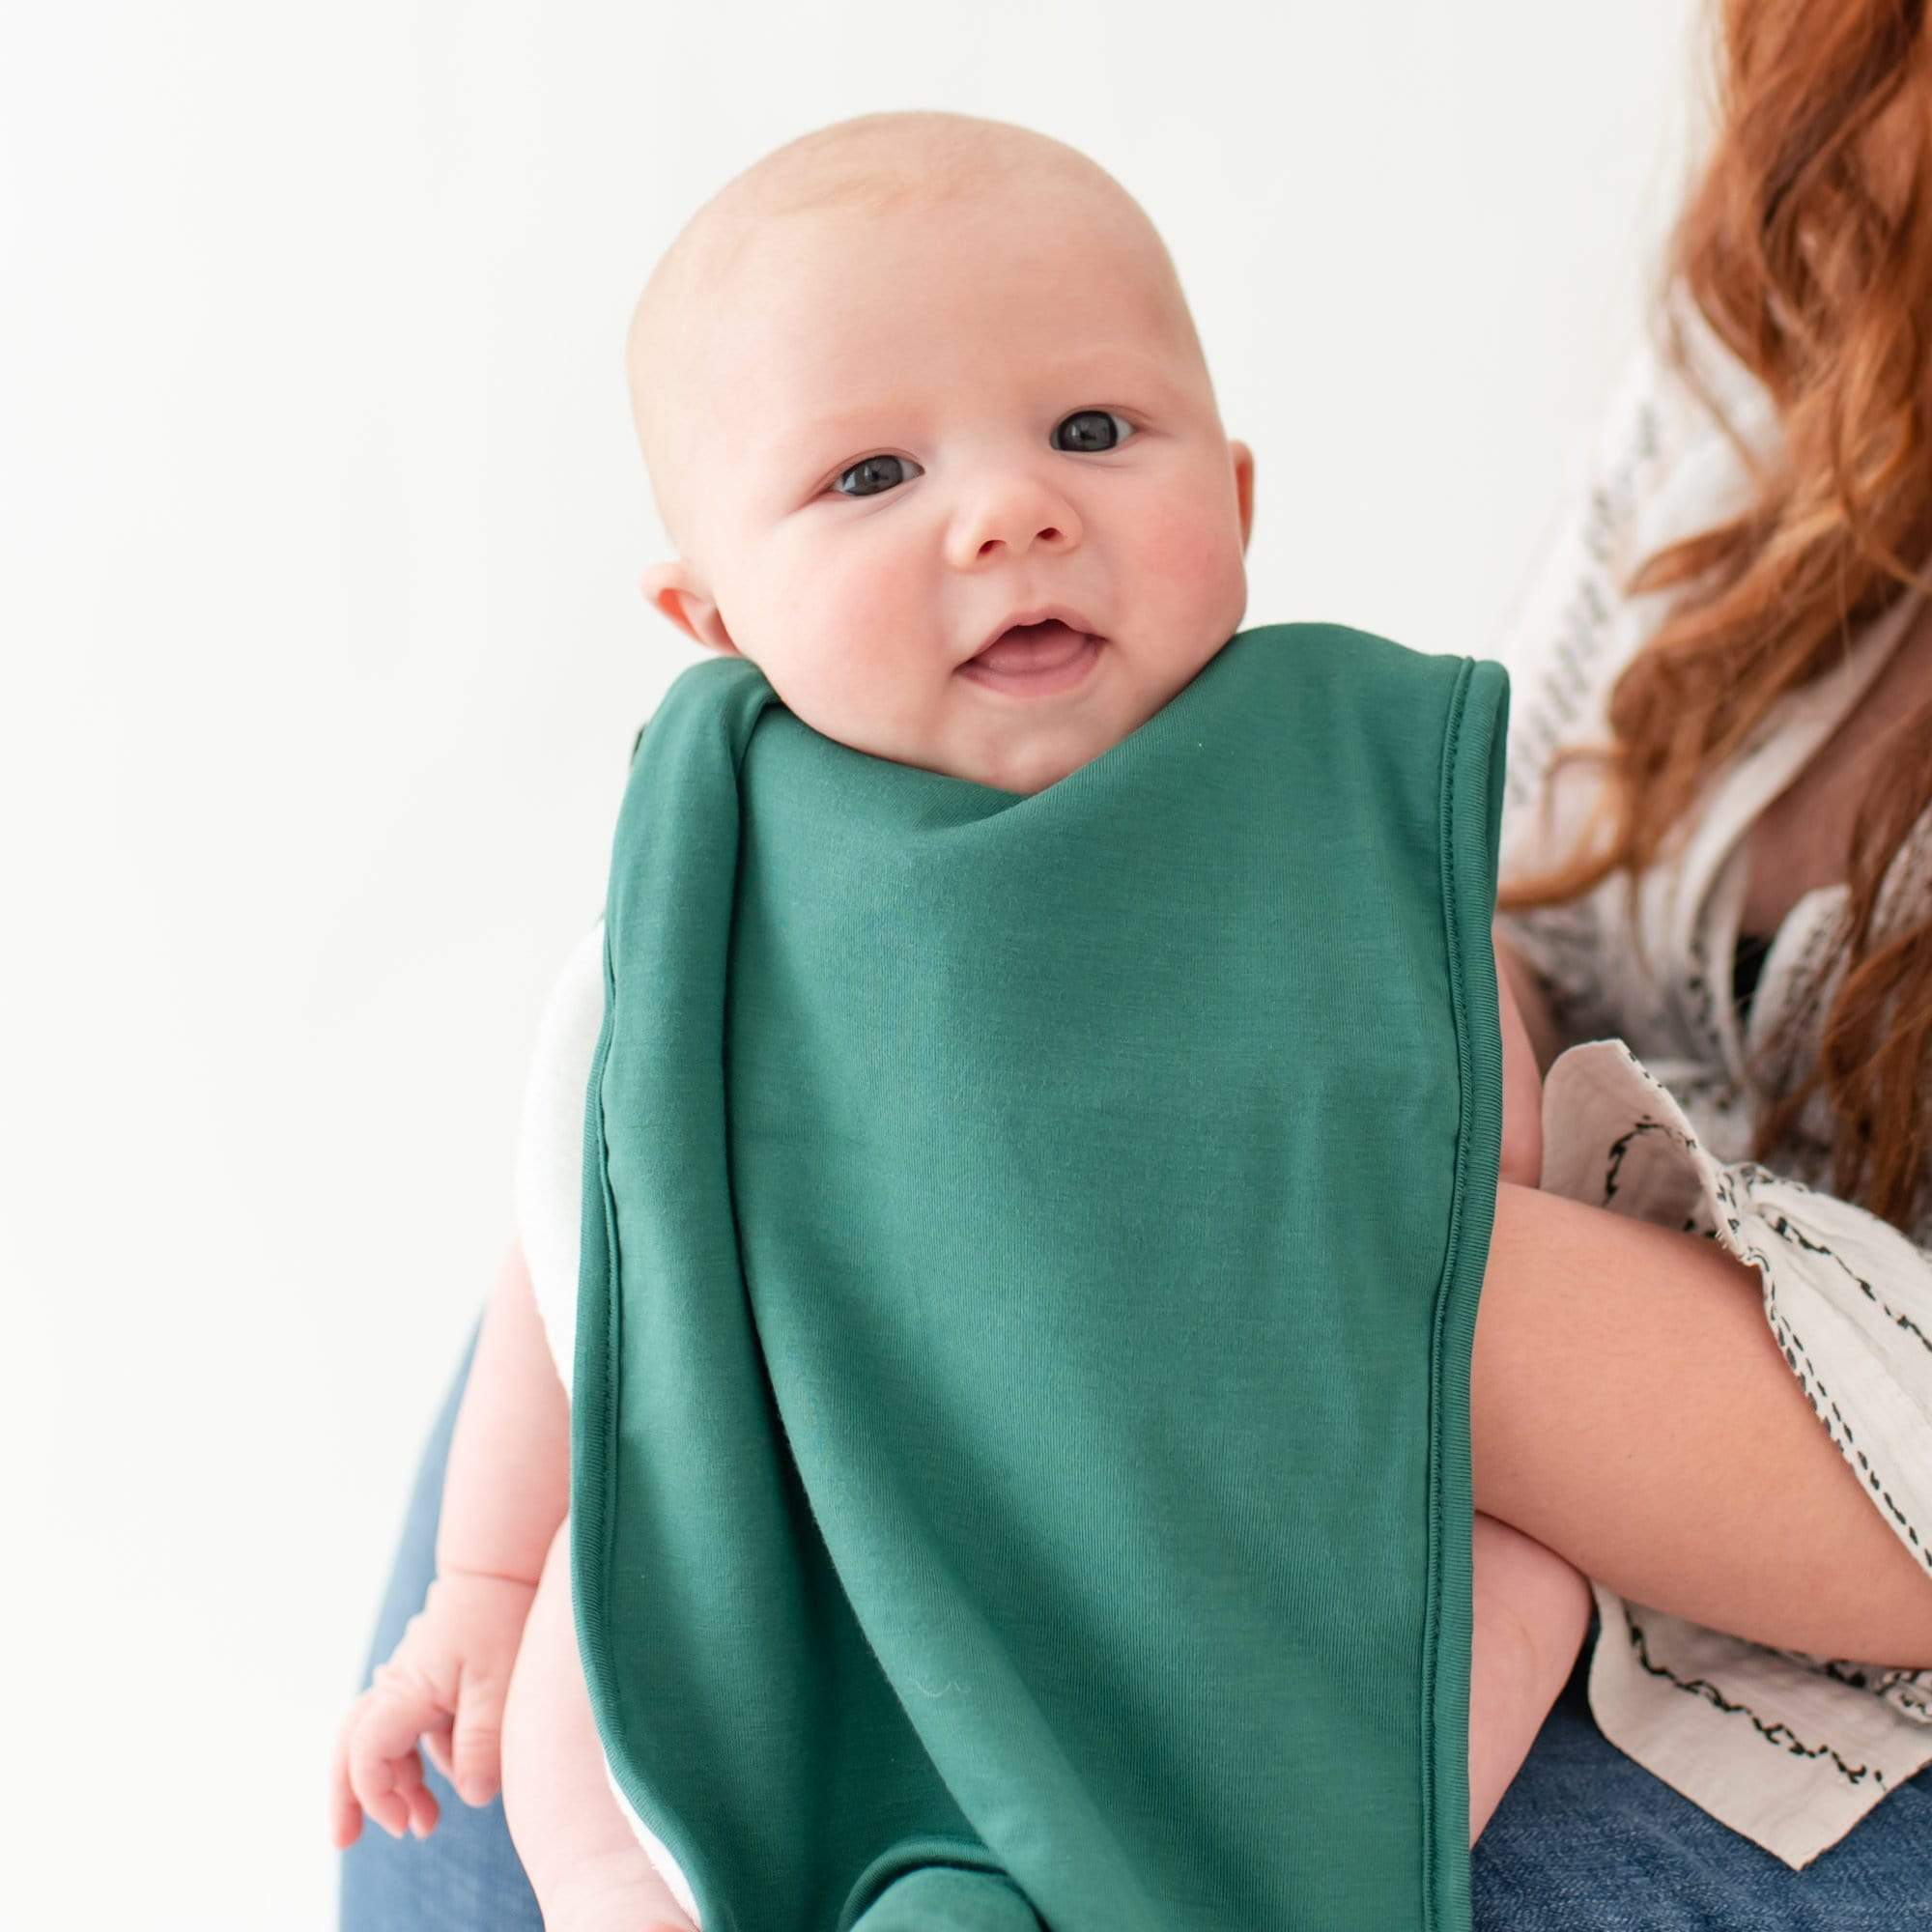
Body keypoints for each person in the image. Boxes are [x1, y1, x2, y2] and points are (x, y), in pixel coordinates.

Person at [330, 108, 1571, 1932]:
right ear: (717, 617)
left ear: (1236, 501)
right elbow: (584, 1246)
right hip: (810, 1544)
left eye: (1093, 432)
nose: (1012, 511)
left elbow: (1484, 1154)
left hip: (1220, 1534)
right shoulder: (727, 860)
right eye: (871, 475)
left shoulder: (1323, 792)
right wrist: (481, 1590)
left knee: (1531, 1578)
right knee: (595, 1690)